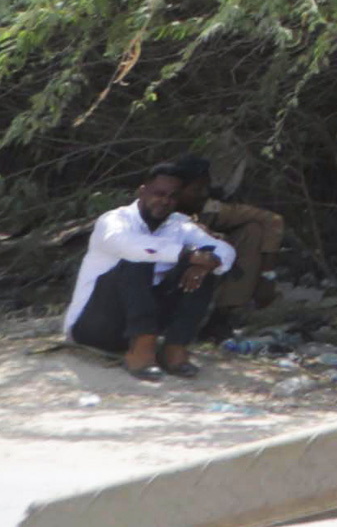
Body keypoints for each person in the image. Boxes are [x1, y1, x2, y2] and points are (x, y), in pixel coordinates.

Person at [63, 159, 237, 378]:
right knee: (139, 260)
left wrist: (208, 262)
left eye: (172, 196)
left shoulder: (178, 224)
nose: (164, 201)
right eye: (158, 193)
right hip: (95, 326)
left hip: (143, 321)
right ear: (142, 192)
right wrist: (188, 254)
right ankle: (141, 352)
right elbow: (132, 246)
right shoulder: (115, 220)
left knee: (202, 268)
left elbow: (226, 250)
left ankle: (174, 349)